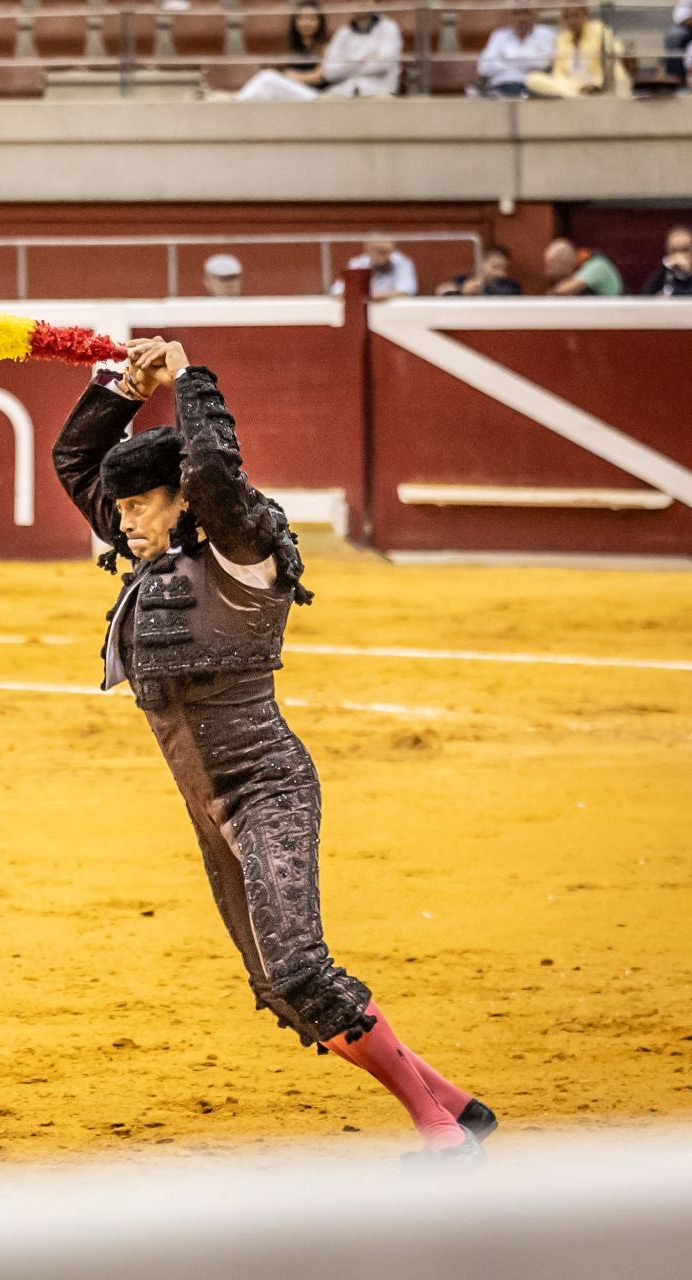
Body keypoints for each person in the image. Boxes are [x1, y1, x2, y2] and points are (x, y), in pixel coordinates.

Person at [51, 337, 493, 1162]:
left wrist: (187, 376)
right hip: (209, 806)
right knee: (281, 991)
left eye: (143, 505)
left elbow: (216, 469)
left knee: (299, 969)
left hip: (266, 789)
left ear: (181, 498)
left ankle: (439, 1136)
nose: (126, 521)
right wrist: (124, 386)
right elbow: (76, 457)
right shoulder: (154, 549)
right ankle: (455, 1106)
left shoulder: (240, 547)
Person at [236, 0, 399, 101]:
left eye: (311, 19)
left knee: (267, 79)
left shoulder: (389, 28)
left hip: (331, 96)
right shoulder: (343, 33)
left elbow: (382, 64)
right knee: (266, 85)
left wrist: (348, 64)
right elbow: (331, 72)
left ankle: (233, 105)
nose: (359, 2)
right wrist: (366, 59)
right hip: (337, 95)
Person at [525, 4, 630, 97]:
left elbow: (615, 50)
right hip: (574, 87)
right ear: (562, 20)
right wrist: (571, 86)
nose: (572, 21)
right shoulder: (562, 39)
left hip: (601, 84)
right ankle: (574, 97)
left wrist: (595, 83)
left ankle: (575, 97)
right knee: (532, 79)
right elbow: (559, 74)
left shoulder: (598, 29)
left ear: (586, 15)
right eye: (567, 17)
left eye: (576, 15)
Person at [234, 2, 329, 101]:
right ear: (295, 21)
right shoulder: (293, 47)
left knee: (267, 77)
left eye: (312, 19)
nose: (306, 23)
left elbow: (321, 76)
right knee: (265, 89)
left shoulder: (325, 47)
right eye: (301, 18)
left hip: (312, 93)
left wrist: (293, 76)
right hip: (294, 89)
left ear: (320, 22)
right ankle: (242, 104)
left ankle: (238, 103)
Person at [476, 5, 555, 97]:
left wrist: (505, 59)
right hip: (500, 86)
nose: (521, 18)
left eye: (526, 13)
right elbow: (484, 68)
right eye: (516, 13)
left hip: (532, 89)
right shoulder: (499, 36)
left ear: (535, 15)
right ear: (510, 16)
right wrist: (525, 62)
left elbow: (544, 64)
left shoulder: (546, 34)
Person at [330, 237, 417, 299]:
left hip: (394, 311)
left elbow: (406, 292)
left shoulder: (402, 262)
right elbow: (337, 291)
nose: (386, 256)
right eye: (381, 252)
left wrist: (375, 297)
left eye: (390, 251)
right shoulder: (358, 263)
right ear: (368, 250)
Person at [543, 237, 624, 295]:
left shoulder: (597, 266)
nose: (547, 272)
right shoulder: (579, 269)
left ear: (564, 262)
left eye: (551, 266)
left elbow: (562, 291)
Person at [434, 245, 524, 296]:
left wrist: (483, 288)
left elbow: (510, 293)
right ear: (481, 264)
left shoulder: (510, 286)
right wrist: (462, 291)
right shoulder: (462, 280)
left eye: (503, 269)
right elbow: (442, 291)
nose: (500, 273)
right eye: (495, 267)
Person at [640, 225, 692, 296]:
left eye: (685, 249)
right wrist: (664, 268)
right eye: (674, 250)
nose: (679, 255)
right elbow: (646, 294)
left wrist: (687, 272)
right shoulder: (668, 268)